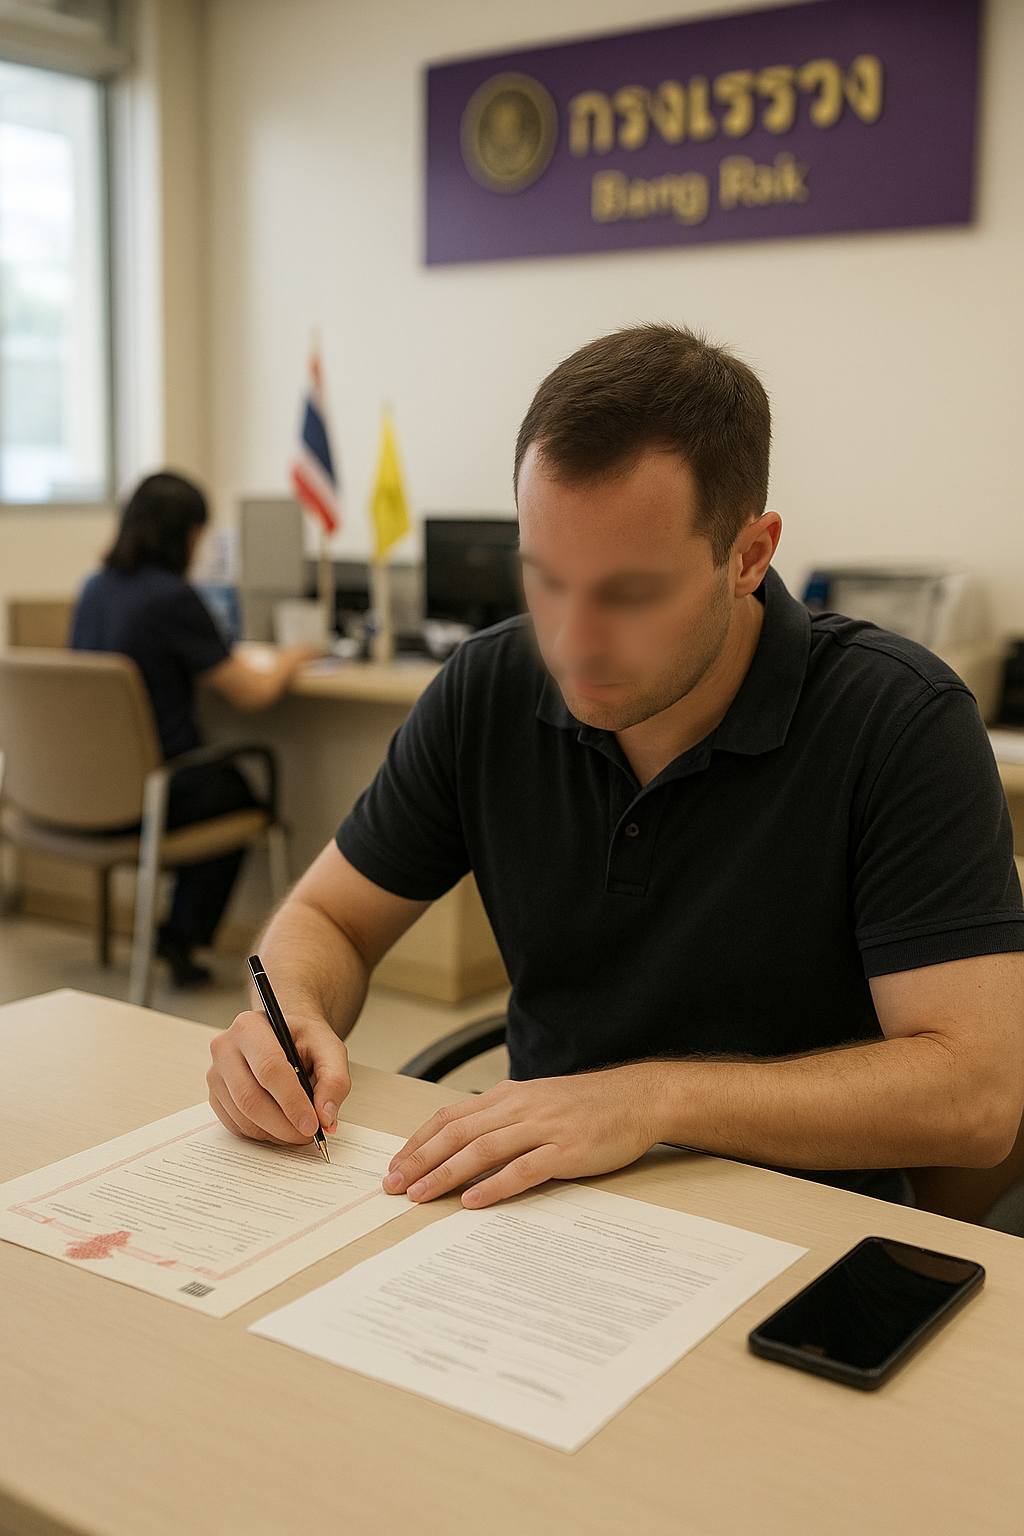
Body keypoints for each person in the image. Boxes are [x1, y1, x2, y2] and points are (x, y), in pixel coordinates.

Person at [206, 325, 1024, 1209]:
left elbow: (975, 1098)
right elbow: (331, 915)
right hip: (539, 1206)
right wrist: (290, 1013)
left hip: (804, 1219)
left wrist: (649, 1099)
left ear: (749, 556)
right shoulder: (486, 686)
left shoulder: (899, 720)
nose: (572, 640)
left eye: (629, 593)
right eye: (545, 579)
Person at [72, 471, 318, 984]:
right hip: (153, 795)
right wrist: (294, 657)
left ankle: (178, 932)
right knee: (237, 795)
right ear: (185, 533)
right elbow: (253, 694)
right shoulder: (172, 598)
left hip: (87, 793)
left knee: (219, 788)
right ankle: (180, 937)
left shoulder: (94, 588)